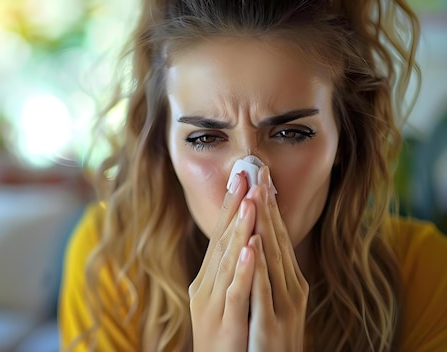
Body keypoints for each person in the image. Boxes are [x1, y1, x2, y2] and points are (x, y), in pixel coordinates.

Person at [58, 0, 447, 350]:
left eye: (290, 133)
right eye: (206, 137)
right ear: (163, 146)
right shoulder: (111, 260)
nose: (248, 179)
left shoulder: (422, 274)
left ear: (344, 138)